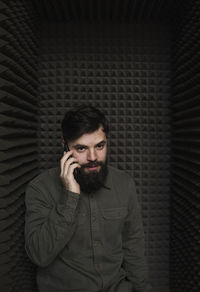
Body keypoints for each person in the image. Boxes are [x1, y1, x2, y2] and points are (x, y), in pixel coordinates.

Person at [25, 105, 151, 292]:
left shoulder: (125, 184)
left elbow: (133, 247)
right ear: (65, 148)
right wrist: (70, 196)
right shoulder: (40, 188)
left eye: (100, 146)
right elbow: (39, 255)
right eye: (82, 148)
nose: (93, 157)